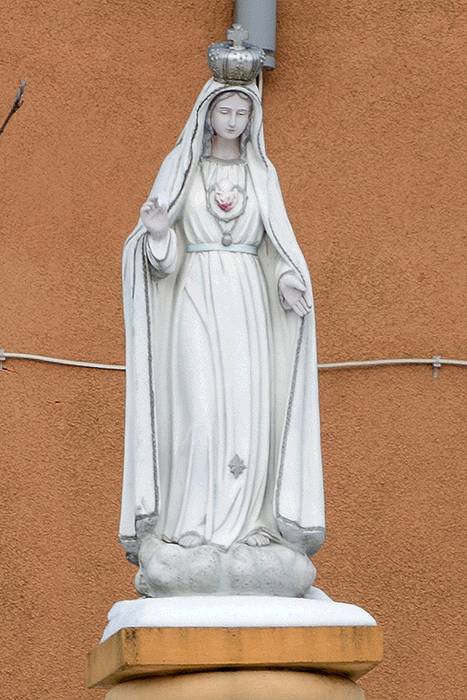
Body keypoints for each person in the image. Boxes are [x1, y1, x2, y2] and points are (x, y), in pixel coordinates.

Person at [119, 77, 325, 571]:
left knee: (248, 410)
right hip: (196, 290)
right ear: (207, 114)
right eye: (224, 111)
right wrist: (158, 236)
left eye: (241, 113)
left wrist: (286, 279)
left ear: (252, 119)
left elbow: (277, 245)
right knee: (201, 411)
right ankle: (191, 522)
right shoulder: (181, 168)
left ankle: (249, 522)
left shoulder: (262, 174)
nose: (232, 121)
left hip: (249, 300)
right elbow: (160, 262)